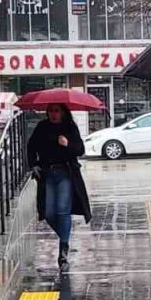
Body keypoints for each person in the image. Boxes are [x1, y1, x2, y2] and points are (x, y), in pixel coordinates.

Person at [27, 103, 92, 270]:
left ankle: (63, 251)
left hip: (65, 173)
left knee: (63, 210)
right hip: (48, 174)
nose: (53, 114)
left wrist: (67, 144)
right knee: (48, 213)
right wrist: (33, 164)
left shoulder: (69, 127)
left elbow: (79, 150)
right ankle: (65, 238)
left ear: (63, 112)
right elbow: (31, 146)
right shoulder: (42, 127)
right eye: (50, 111)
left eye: (56, 111)